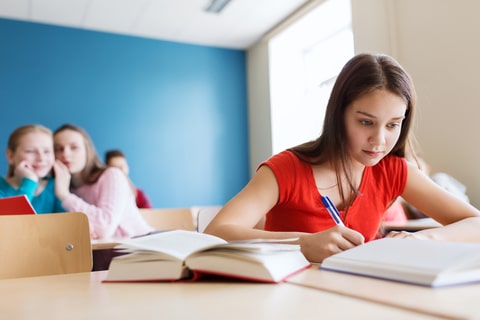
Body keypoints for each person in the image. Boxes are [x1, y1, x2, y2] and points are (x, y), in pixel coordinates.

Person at [204, 53, 480, 263]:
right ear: (339, 115)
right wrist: (302, 243)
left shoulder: (393, 171)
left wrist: (427, 239)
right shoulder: (286, 169)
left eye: (393, 124)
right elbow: (216, 231)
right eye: (365, 122)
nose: (379, 140)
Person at [52, 124, 154, 240]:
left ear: (87, 150)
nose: (65, 154)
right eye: (58, 149)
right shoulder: (60, 186)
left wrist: (65, 196)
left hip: (141, 246)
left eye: (74, 147)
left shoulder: (112, 175)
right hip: (104, 253)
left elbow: (105, 227)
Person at [0, 124, 64, 213]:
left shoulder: (55, 187)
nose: (41, 158)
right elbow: (12, 221)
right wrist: (29, 181)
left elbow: (67, 223)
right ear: (10, 156)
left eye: (46, 151)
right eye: (30, 151)